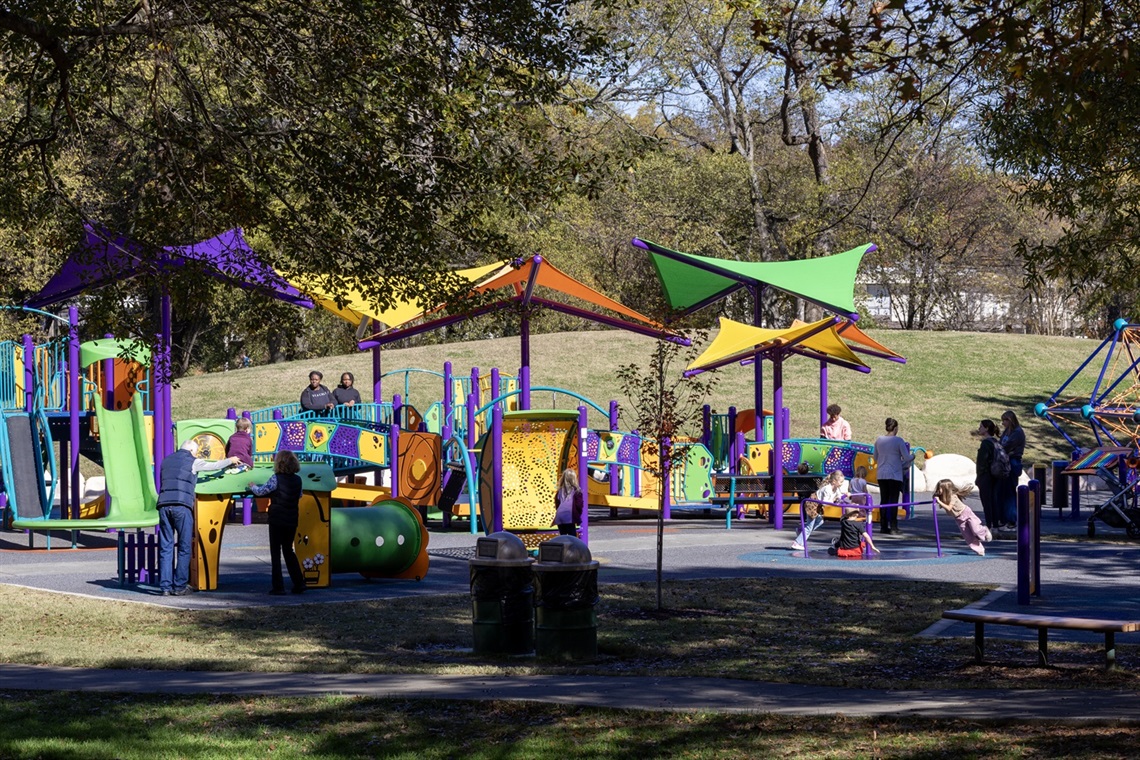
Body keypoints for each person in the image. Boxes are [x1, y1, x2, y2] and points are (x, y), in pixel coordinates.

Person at [157, 441, 241, 596]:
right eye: (195, 452)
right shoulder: (192, 461)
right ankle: (180, 586)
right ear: (191, 450)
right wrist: (231, 460)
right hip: (181, 506)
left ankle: (165, 587)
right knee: (184, 547)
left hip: (163, 505)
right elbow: (212, 466)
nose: (195, 455)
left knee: (166, 547)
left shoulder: (166, 461)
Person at [248, 450, 307, 595]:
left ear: (279, 463)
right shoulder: (298, 480)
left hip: (277, 519)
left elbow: (261, 491)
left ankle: (278, 587)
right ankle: (299, 582)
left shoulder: (276, 478)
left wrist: (252, 486)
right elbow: (299, 495)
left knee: (276, 553)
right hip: (292, 519)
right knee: (288, 551)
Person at [873, 417, 914, 534]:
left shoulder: (879, 440)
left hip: (881, 473)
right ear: (895, 428)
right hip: (895, 474)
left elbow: (875, 457)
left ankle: (883, 525)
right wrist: (913, 456)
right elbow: (906, 457)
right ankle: (894, 526)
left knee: (884, 500)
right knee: (893, 500)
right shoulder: (898, 441)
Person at [934, 479, 992, 556]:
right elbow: (936, 499)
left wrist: (939, 501)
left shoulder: (953, 496)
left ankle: (984, 531)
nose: (938, 490)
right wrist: (936, 498)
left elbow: (949, 508)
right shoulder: (941, 497)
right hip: (958, 518)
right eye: (938, 488)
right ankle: (979, 549)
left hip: (966, 513)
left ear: (946, 489)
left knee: (975, 530)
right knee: (967, 535)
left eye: (940, 488)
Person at [792, 470, 847, 550]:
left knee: (820, 521)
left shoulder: (836, 488)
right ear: (834, 481)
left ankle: (801, 531)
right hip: (812, 504)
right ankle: (797, 543)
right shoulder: (827, 489)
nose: (842, 483)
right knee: (809, 527)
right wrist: (834, 500)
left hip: (817, 505)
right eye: (841, 482)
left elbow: (838, 496)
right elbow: (825, 503)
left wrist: (844, 495)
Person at [975, 419, 1003, 530]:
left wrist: (979, 477)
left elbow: (982, 462)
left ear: (986, 428)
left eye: (981, 426)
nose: (979, 428)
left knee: (986, 501)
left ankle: (989, 524)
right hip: (995, 474)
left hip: (986, 475)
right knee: (993, 500)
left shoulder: (986, 443)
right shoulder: (996, 442)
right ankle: (995, 523)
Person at [999, 410, 1026, 528]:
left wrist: (999, 449)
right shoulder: (1007, 431)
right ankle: (1004, 517)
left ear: (1010, 420)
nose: (1003, 423)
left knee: (1010, 492)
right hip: (1005, 460)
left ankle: (1012, 519)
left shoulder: (1017, 432)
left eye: (1004, 420)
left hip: (1013, 461)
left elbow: (1007, 446)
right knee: (1003, 491)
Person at [551, 468, 584, 536]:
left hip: (560, 516)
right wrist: (578, 515)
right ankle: (572, 546)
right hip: (570, 516)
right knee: (572, 537)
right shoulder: (576, 491)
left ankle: (564, 546)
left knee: (563, 536)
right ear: (574, 479)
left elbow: (557, 503)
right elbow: (579, 505)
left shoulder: (560, 491)